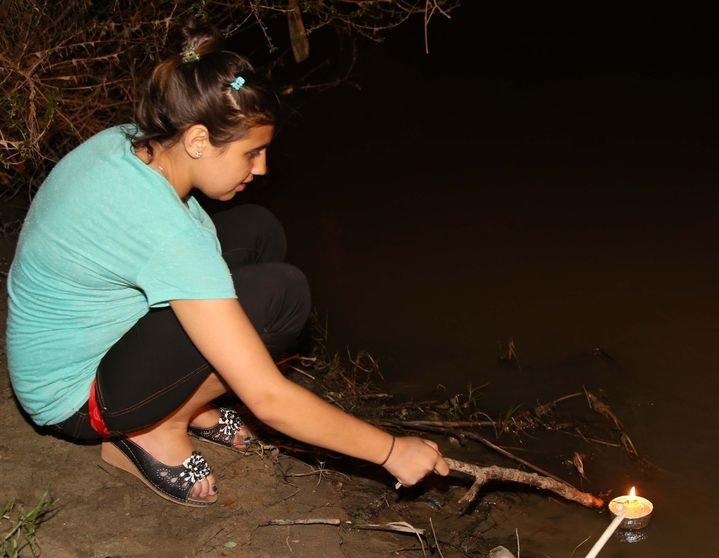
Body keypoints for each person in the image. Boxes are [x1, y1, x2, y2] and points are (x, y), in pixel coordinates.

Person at [5, 24, 449, 507]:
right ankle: (154, 426)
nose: (261, 168)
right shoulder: (171, 237)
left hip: (69, 344)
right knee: (282, 297)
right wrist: (390, 451)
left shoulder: (127, 143)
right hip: (74, 398)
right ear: (198, 139)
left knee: (258, 229)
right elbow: (269, 400)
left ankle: (180, 403)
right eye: (251, 152)